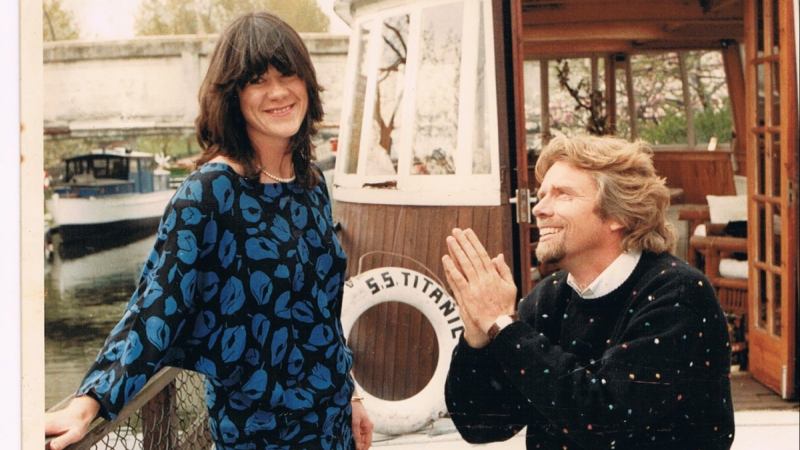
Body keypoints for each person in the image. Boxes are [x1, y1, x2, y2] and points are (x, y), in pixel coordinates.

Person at [45, 12, 373, 450]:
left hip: (332, 423)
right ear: (233, 97)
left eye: (287, 75)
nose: (278, 92)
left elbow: (322, 313)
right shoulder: (209, 193)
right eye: (257, 81)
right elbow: (156, 305)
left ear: (307, 83)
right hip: (260, 434)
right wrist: (89, 402)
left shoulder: (309, 184)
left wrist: (351, 393)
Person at [441, 135, 734, 449]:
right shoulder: (549, 297)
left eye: (562, 195)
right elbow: (481, 426)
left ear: (618, 214)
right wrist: (478, 339)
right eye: (541, 196)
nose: (539, 209)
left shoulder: (678, 294)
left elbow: (605, 420)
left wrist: (503, 326)